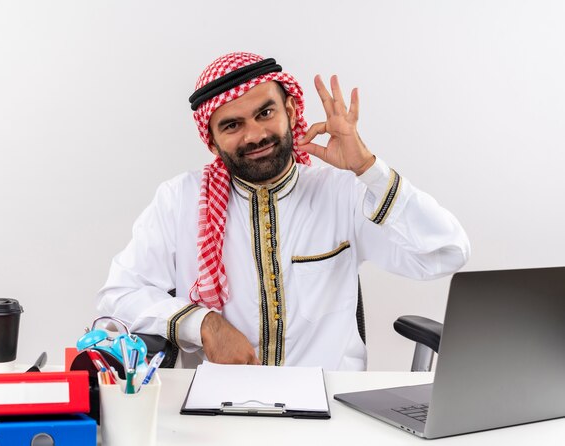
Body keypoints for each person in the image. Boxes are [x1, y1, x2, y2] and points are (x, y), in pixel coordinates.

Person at [96, 52, 470, 370]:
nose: (254, 135)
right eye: (232, 125)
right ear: (212, 142)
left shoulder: (343, 192)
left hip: (330, 410)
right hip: (219, 410)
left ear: (290, 111)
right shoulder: (179, 200)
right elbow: (120, 295)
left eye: (265, 113)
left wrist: (368, 169)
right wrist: (203, 323)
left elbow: (445, 253)